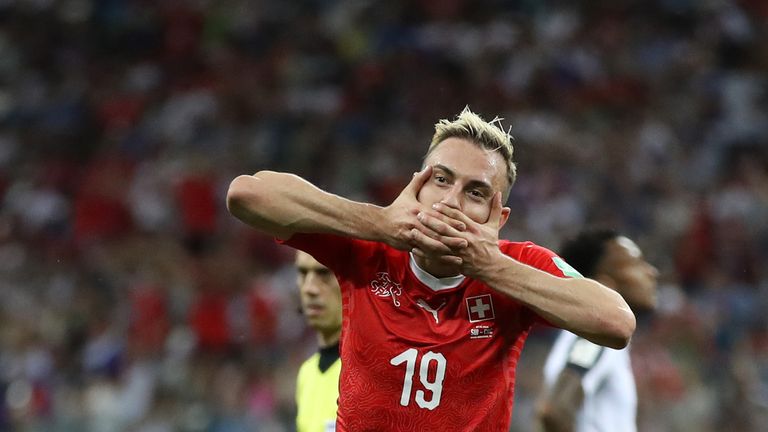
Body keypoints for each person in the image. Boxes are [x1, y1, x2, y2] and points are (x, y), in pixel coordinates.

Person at [226, 107, 636, 431]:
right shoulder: (369, 246)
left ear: (499, 219)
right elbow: (247, 194)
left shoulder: (516, 264)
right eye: (441, 179)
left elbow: (615, 322)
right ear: (416, 185)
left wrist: (491, 267)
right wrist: (378, 222)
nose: (451, 201)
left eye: (475, 192)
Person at [537, 229, 659, 432]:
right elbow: (554, 411)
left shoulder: (592, 334)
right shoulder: (596, 336)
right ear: (604, 284)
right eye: (636, 264)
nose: (651, 272)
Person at [294, 250, 343, 432]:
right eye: (303, 273)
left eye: (324, 273)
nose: (309, 288)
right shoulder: (306, 374)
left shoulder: (374, 372)